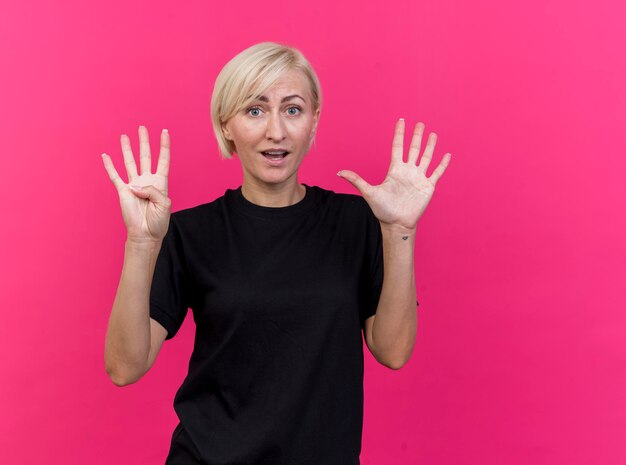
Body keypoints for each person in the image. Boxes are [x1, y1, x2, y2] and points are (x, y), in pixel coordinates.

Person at [102, 41, 451, 465]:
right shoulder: (190, 233)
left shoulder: (358, 222)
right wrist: (140, 244)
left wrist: (399, 230)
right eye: (254, 110)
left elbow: (393, 351)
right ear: (226, 124)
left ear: (314, 121)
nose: (276, 132)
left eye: (292, 109)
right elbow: (125, 367)